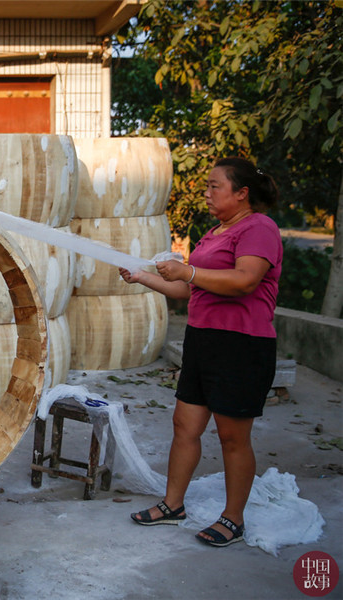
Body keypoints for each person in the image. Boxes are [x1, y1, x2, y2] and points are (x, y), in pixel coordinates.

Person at [119, 157, 282, 548]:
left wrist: (188, 272)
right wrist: (143, 276)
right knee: (184, 426)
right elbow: (189, 289)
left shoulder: (259, 227)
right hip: (203, 340)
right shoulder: (214, 234)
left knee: (232, 437)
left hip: (241, 344)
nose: (207, 193)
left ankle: (233, 518)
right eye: (207, 187)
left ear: (242, 193)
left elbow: (244, 280)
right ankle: (172, 505)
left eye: (215, 186)